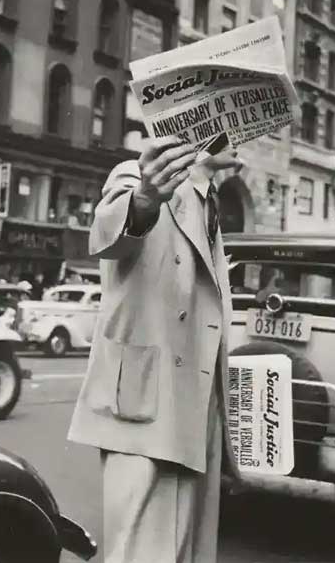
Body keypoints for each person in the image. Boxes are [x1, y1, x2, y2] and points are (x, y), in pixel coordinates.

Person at [68, 135, 242, 563]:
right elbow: (109, 233)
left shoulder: (209, 200)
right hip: (146, 406)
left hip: (196, 410)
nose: (244, 141)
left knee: (184, 550)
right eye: (232, 128)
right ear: (202, 132)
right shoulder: (138, 175)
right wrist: (145, 197)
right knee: (142, 553)